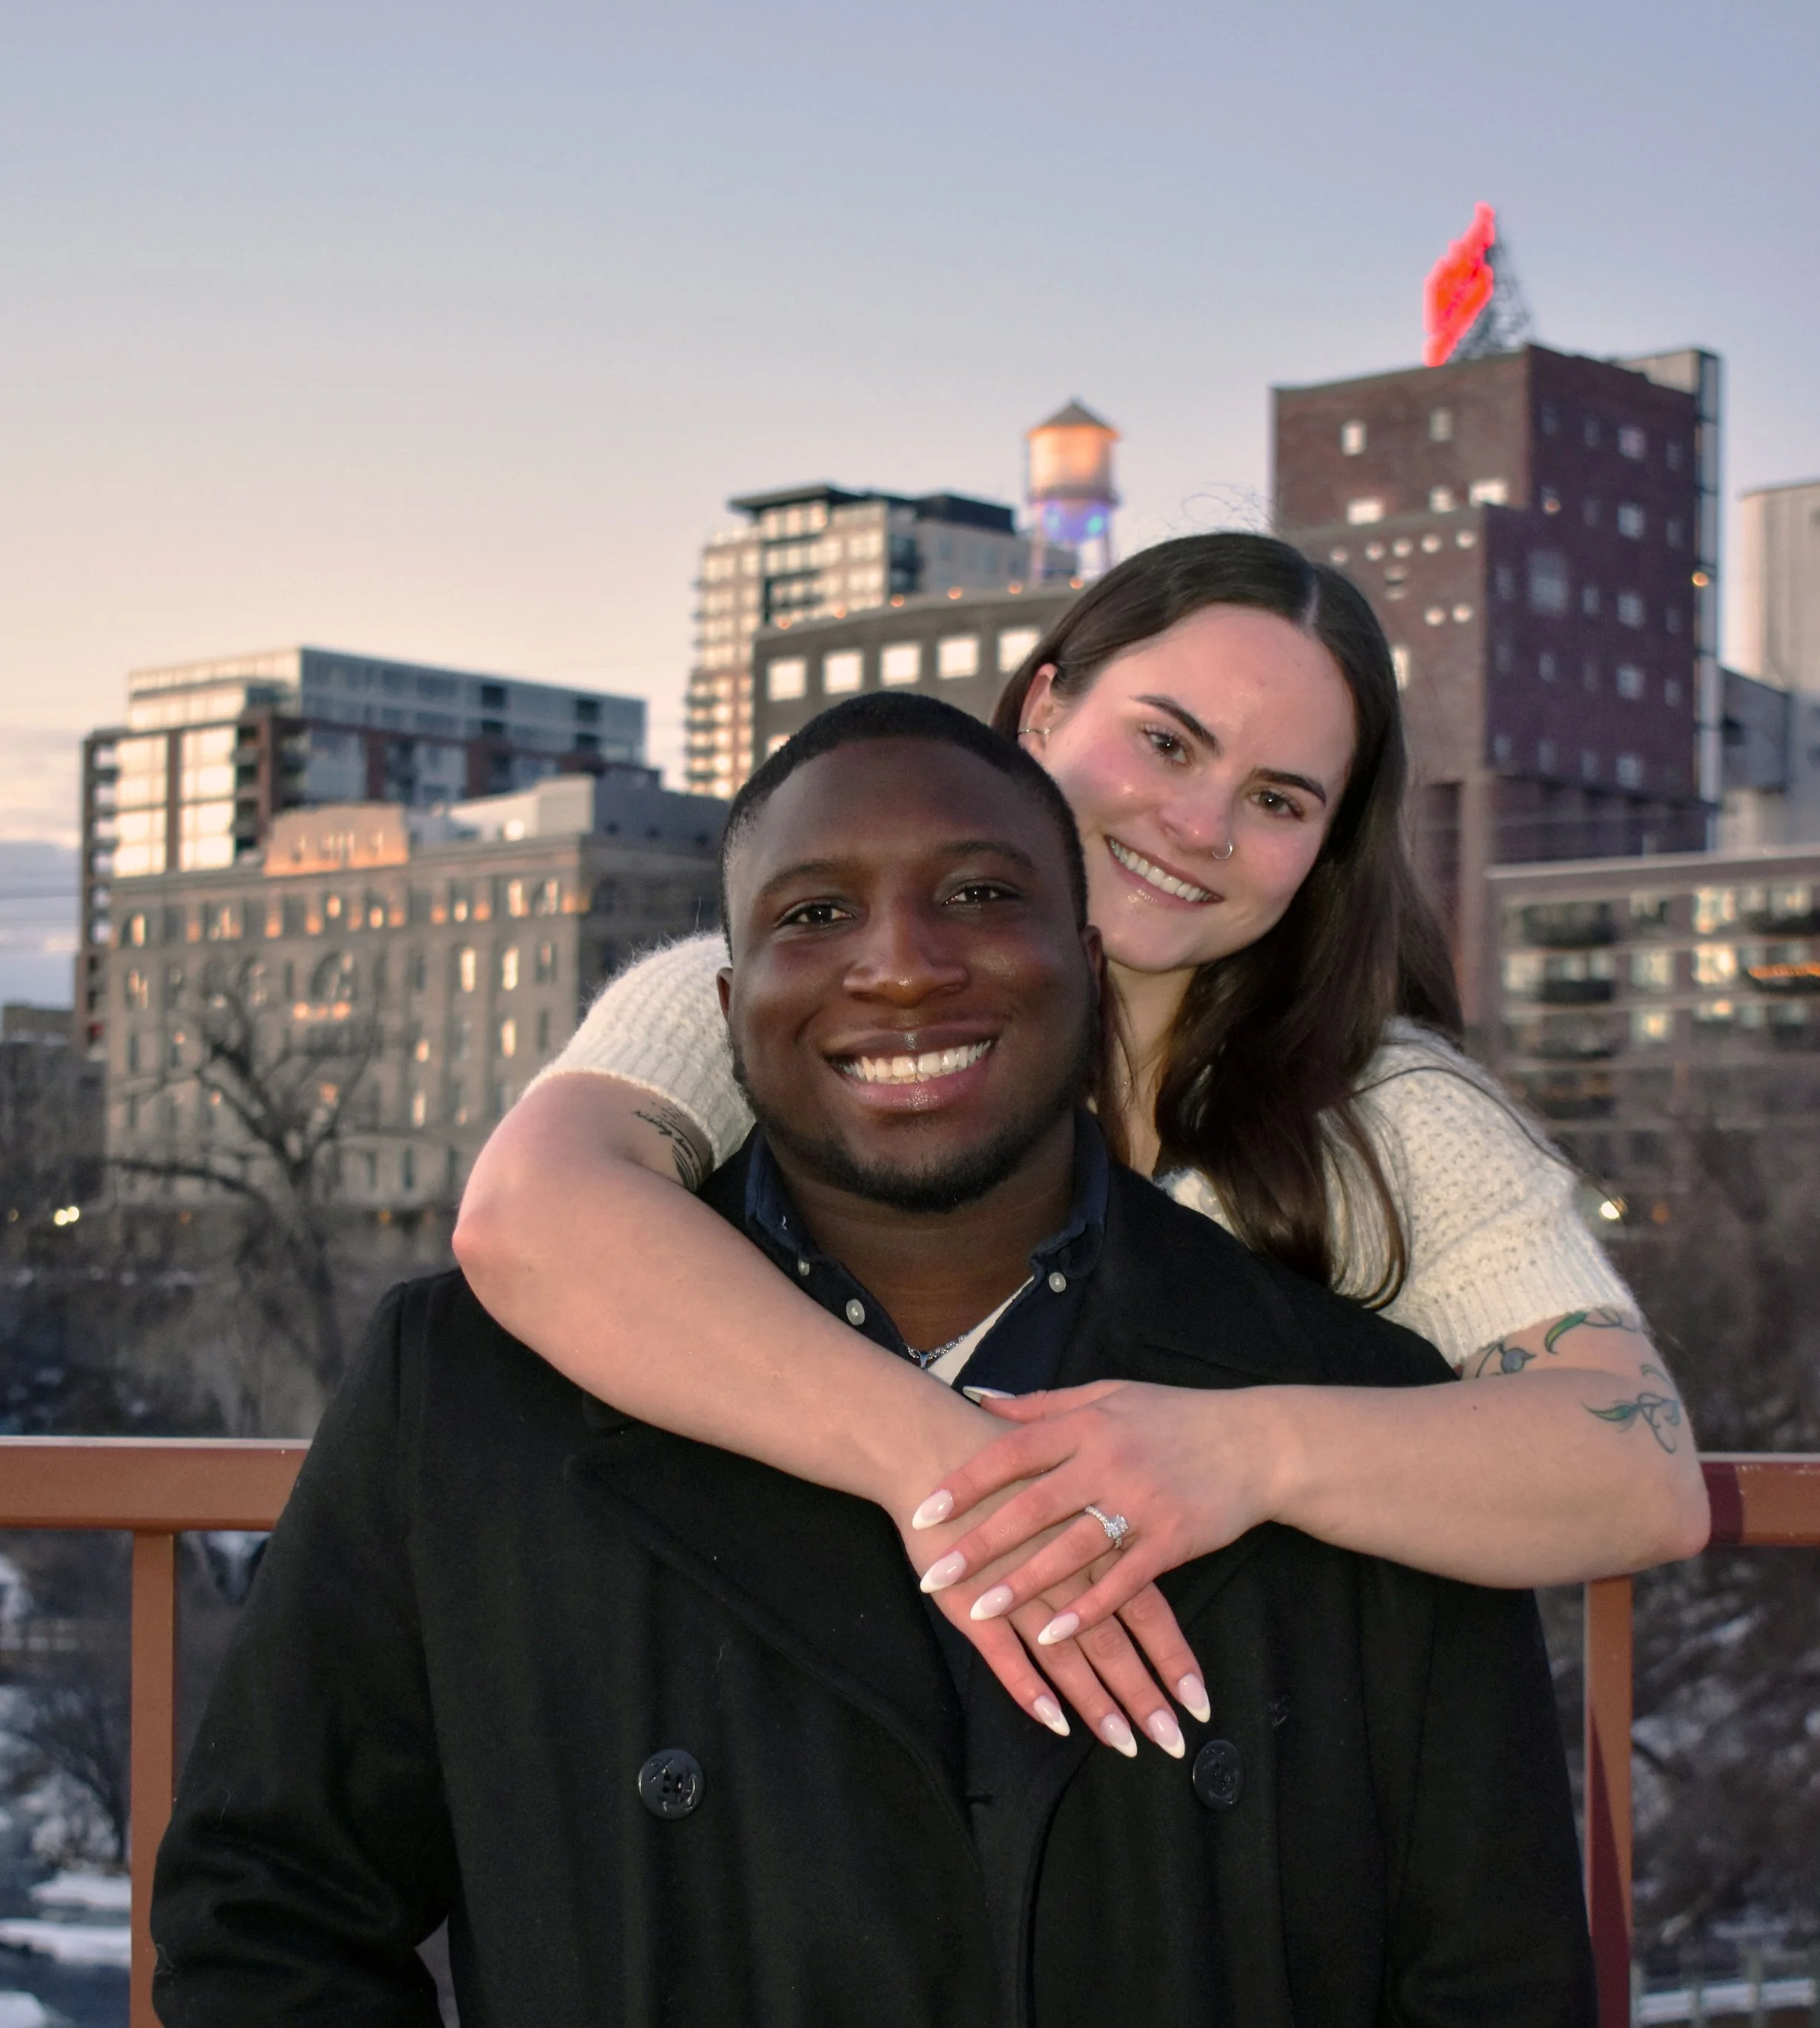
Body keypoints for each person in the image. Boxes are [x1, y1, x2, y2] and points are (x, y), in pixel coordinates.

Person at [153, 705, 1608, 2028]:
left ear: (1086, 961)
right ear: (725, 1003)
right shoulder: (469, 1397)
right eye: (815, 913)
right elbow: (263, 1917)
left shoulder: (1339, 1416)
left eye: (981, 894)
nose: (901, 964)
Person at [456, 533, 1710, 1751]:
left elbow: (1641, 1473)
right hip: (789, 1754)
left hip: (1222, 1786)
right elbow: (528, 1217)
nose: (1200, 825)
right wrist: (961, 1476)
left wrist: (1246, 1452)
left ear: (1326, 851)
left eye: (1277, 799)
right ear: (1045, 709)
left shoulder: (1388, 1111)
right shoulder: (793, 998)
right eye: (1167, 742)